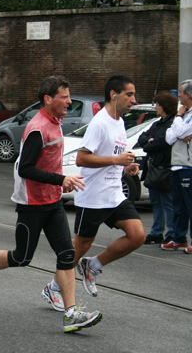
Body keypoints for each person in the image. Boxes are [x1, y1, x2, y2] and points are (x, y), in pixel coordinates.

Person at [0, 76, 102, 333]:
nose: (68, 101)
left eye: (69, 95)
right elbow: (27, 168)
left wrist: (59, 182)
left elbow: (49, 162)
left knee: (66, 254)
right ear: (48, 99)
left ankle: (71, 313)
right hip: (32, 203)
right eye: (64, 96)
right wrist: (61, 178)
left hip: (52, 201)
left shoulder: (55, 122)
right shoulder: (38, 127)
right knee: (21, 257)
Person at [59, 75, 145, 298]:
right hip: (94, 196)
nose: (134, 100)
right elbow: (82, 159)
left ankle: (93, 266)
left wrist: (125, 167)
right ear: (113, 95)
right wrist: (116, 161)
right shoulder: (100, 123)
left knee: (137, 236)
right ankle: (55, 288)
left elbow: (111, 155)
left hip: (114, 194)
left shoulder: (119, 122)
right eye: (129, 95)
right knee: (80, 246)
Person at [137, 91, 178, 244]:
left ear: (165, 106)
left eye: (158, 104)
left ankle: (171, 232)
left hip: (166, 167)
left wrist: (150, 142)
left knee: (168, 202)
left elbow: (162, 142)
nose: (156, 108)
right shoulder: (157, 122)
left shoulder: (172, 123)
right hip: (153, 168)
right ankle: (156, 231)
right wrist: (149, 141)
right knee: (156, 201)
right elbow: (142, 138)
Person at [163, 79, 192, 254]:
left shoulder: (184, 115)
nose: (178, 94)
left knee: (190, 205)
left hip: (189, 166)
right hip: (177, 166)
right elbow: (170, 137)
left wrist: (179, 123)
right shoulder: (184, 114)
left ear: (188, 95)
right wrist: (180, 125)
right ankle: (179, 238)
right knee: (178, 206)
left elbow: (179, 132)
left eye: (181, 92)